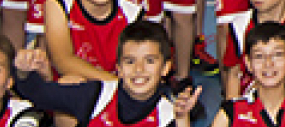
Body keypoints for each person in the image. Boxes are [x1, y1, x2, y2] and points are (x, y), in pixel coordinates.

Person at [14, 21, 201, 127]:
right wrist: (23, 72)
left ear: (165, 68)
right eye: (130, 61)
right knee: (68, 82)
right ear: (119, 68)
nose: (139, 69)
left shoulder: (168, 116)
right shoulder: (97, 95)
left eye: (149, 61)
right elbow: (38, 94)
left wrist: (182, 120)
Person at [213, 22, 285, 127]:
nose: (268, 63)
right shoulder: (232, 110)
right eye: (259, 56)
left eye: (277, 54)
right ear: (248, 63)